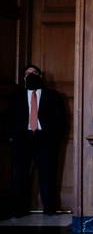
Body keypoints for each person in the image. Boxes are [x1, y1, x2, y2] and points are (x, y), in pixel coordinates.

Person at [8, 65, 66, 217]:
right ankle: (19, 210)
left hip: (45, 140)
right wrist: (12, 137)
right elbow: (9, 119)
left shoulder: (53, 96)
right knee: (19, 175)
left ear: (40, 75)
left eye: (34, 73)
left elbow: (61, 120)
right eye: (27, 73)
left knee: (48, 175)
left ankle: (50, 209)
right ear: (23, 78)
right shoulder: (16, 96)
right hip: (22, 140)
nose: (31, 75)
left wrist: (54, 139)